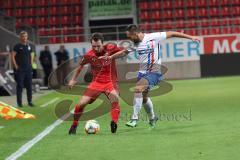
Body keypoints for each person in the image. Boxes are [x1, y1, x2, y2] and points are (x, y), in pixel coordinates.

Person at [107, 24, 200, 128]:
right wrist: (110, 57)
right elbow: (124, 52)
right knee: (144, 98)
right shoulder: (135, 44)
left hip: (154, 72)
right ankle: (152, 118)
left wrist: (191, 37)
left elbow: (173, 33)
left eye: (130, 36)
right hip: (142, 73)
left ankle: (134, 118)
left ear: (135, 33)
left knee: (138, 89)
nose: (129, 38)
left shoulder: (154, 37)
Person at [68, 33, 126, 134]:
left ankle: (114, 122)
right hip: (96, 83)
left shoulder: (110, 48)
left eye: (98, 46)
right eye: (93, 46)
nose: (96, 48)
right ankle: (74, 125)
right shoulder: (89, 55)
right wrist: (73, 79)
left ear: (102, 44)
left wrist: (111, 57)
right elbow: (80, 66)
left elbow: (124, 52)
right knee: (82, 103)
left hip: (110, 82)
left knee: (114, 99)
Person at [12, 31, 34, 107]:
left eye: (25, 36)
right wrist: (15, 65)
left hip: (28, 69)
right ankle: (19, 103)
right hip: (20, 70)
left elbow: (31, 56)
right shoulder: (17, 46)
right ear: (20, 37)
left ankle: (30, 101)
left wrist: (31, 65)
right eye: (23, 36)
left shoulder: (29, 46)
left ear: (27, 37)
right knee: (20, 86)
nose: (24, 38)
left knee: (29, 86)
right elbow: (13, 56)